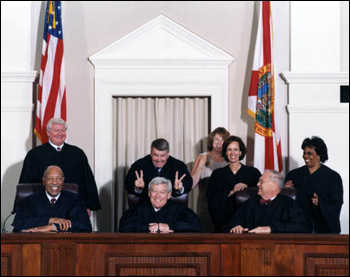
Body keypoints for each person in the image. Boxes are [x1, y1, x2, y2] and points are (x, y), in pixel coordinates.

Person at [18, 118, 101, 215]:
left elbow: (87, 181)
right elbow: (26, 184)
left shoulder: (77, 154)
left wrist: (87, 206)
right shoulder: (35, 155)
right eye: (56, 130)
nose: (60, 133)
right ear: (48, 133)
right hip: (43, 207)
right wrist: (26, 207)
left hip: (74, 207)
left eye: (62, 130)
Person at [284, 136, 343, 234]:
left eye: (309, 153)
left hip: (323, 229)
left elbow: (337, 203)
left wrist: (321, 203)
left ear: (319, 155)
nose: (305, 156)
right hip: (298, 227)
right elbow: (285, 202)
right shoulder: (294, 175)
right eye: (304, 153)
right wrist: (289, 191)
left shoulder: (333, 177)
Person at [12, 165, 92, 233]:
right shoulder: (30, 200)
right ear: (44, 180)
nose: (54, 182)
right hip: (35, 246)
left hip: (66, 246)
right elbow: (19, 224)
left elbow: (84, 225)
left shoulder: (75, 200)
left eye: (58, 178)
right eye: (50, 178)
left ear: (63, 180)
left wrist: (53, 227)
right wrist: (50, 220)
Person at [224, 170, 308, 234]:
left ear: (273, 185)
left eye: (261, 181)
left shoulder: (289, 204)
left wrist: (270, 229)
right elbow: (229, 225)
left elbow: (301, 226)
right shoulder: (250, 203)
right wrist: (236, 227)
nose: (257, 184)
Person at [207, 136, 261, 232]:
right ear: (225, 152)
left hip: (248, 222)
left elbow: (261, 196)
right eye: (229, 150)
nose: (233, 153)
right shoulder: (217, 174)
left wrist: (247, 190)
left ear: (240, 152)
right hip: (225, 222)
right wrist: (231, 191)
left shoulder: (253, 173)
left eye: (236, 149)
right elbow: (212, 199)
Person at [119, 177, 202, 233]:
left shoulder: (180, 209)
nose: (158, 196)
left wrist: (170, 226)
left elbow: (196, 226)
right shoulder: (138, 208)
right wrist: (149, 227)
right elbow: (123, 226)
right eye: (154, 191)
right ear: (149, 193)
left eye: (162, 192)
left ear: (169, 195)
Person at [191, 127, 230, 232]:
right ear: (212, 140)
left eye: (223, 140)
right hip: (205, 203)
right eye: (216, 139)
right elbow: (192, 184)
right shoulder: (202, 157)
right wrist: (201, 164)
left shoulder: (230, 159)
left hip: (225, 204)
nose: (219, 143)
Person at [124, 139, 193, 198]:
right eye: (155, 155)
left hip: (171, 207)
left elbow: (189, 184)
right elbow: (127, 184)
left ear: (168, 154)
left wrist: (179, 189)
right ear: (150, 153)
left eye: (163, 155)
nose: (159, 160)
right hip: (146, 205)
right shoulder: (138, 165)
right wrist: (138, 189)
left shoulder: (178, 166)